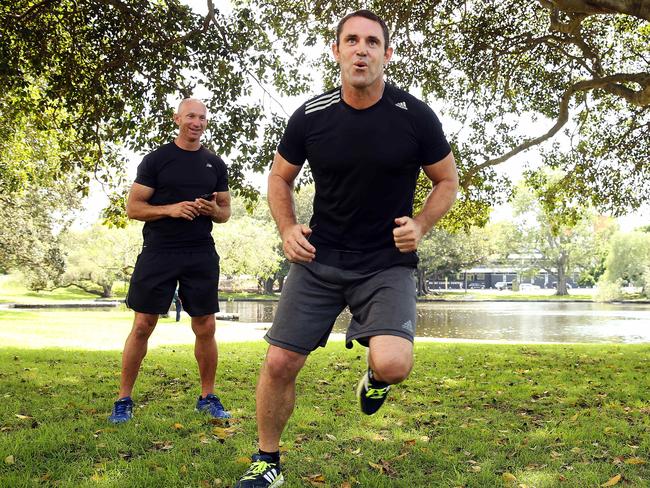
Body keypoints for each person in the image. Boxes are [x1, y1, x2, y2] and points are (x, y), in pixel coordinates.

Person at [234, 9, 459, 488]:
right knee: (279, 362)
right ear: (336, 51)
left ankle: (375, 379)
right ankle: (267, 462)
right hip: (320, 259)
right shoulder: (311, 116)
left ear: (386, 54)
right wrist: (287, 227)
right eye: (351, 41)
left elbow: (446, 180)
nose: (362, 49)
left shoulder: (414, 116)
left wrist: (421, 224)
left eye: (372, 42)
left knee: (394, 364)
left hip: (385, 264)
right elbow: (279, 175)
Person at [108, 98, 232, 424]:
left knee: (205, 326)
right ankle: (123, 399)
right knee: (142, 325)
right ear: (178, 118)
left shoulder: (215, 164)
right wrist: (171, 209)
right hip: (159, 252)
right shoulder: (157, 160)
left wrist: (211, 211)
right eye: (191, 116)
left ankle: (207, 397)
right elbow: (134, 208)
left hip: (200, 252)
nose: (197, 122)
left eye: (203, 117)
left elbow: (225, 212)